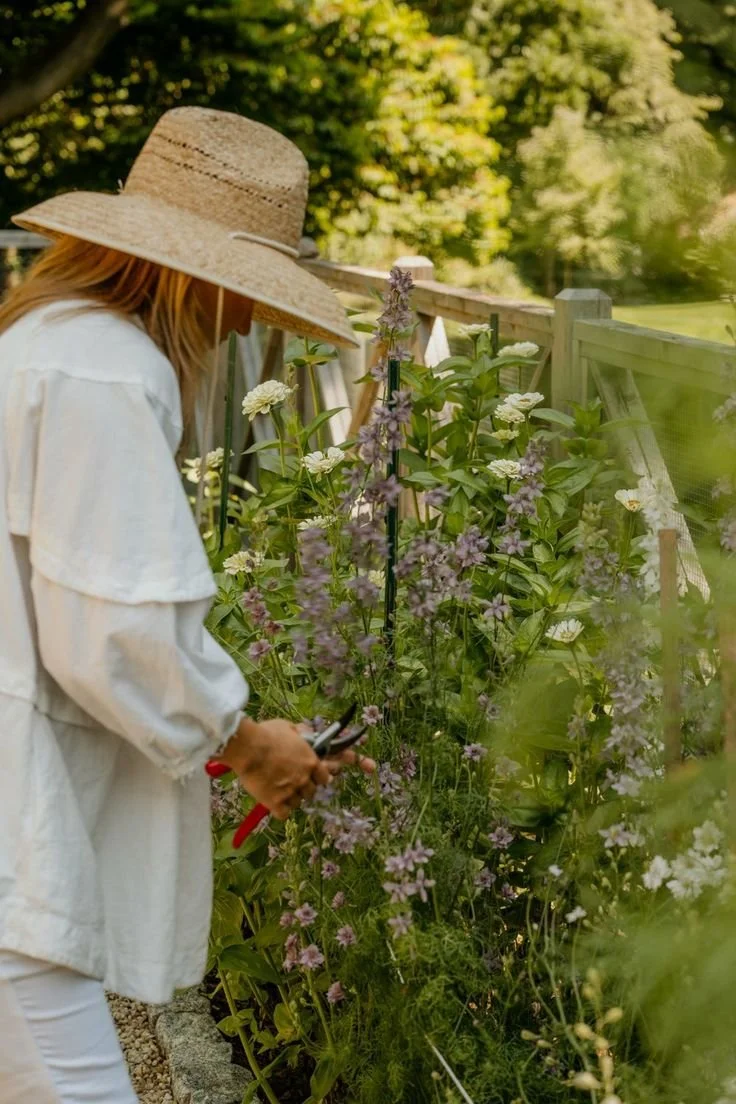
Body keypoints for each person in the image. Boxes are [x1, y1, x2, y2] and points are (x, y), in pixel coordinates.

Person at [0, 106, 373, 1103]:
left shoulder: (54, 344)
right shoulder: (104, 371)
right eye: (245, 292)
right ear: (183, 272)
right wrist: (243, 739)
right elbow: (113, 629)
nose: (249, 320)